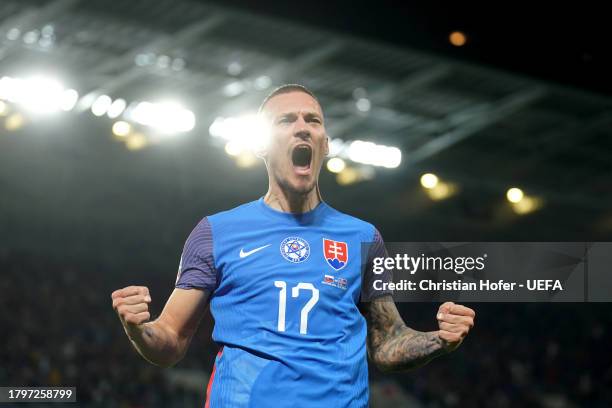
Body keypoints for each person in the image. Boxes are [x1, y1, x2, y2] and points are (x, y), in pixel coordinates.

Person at [111, 84, 475, 407]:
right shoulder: (216, 232)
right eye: (286, 120)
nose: (302, 127)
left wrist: (438, 340)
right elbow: (170, 339)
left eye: (313, 121)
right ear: (261, 146)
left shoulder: (364, 237)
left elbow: (387, 342)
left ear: (326, 144)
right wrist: (138, 329)